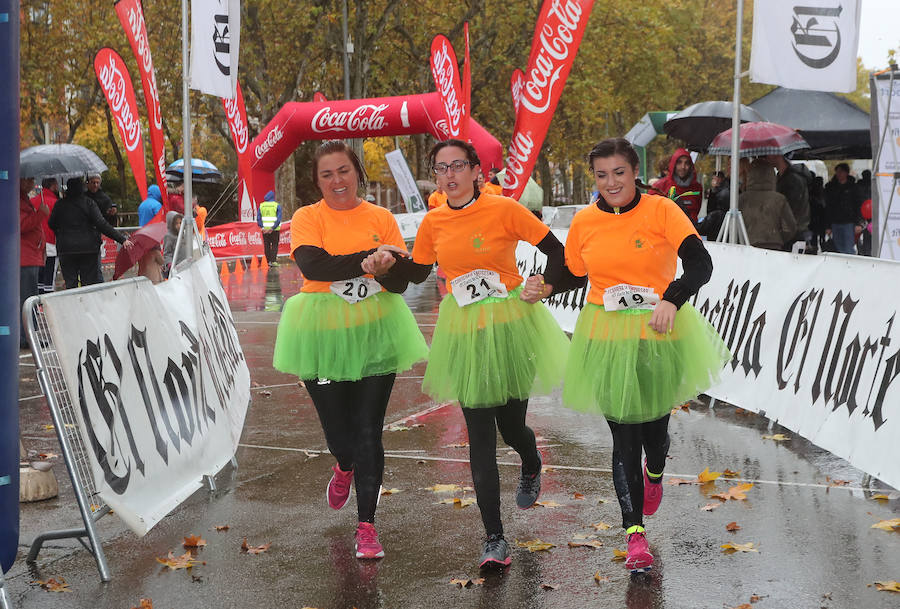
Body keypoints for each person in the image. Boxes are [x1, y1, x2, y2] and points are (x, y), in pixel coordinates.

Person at [371, 139, 571, 570]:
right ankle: (494, 539)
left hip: (512, 326)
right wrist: (388, 269)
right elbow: (417, 273)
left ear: (477, 170)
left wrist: (546, 283)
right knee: (479, 436)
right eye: (441, 168)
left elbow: (556, 250)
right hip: (464, 332)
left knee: (512, 428)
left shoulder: (505, 209)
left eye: (458, 165)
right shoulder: (433, 221)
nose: (450, 174)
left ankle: (530, 458)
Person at [546, 138, 728, 574]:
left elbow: (701, 264)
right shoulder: (586, 221)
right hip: (605, 335)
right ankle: (634, 535)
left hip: (658, 330)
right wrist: (547, 285)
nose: (611, 182)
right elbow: (574, 273)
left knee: (654, 436)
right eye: (601, 175)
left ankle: (657, 470)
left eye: (619, 173)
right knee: (623, 436)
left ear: (635, 173)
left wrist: (673, 297)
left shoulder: (662, 210)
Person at [272, 140, 428, 561]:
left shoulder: (381, 217)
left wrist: (390, 267)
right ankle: (343, 466)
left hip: (376, 331)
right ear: (317, 181)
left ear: (357, 172)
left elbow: (398, 284)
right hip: (320, 333)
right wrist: (367, 261)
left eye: (343, 171)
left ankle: (367, 526)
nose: (337, 180)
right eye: (327, 174)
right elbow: (313, 266)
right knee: (340, 436)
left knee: (368, 431)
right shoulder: (308, 217)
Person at [48, 177, 131, 288]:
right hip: (89, 248)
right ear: (82, 188)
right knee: (90, 283)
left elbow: (51, 224)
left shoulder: (60, 204)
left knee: (70, 282)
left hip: (66, 248)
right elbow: (102, 224)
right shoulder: (89, 203)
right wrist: (122, 239)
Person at [739, 159, 798, 250]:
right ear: (771, 176)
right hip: (773, 246)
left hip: (747, 245)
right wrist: (777, 237)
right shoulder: (779, 199)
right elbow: (791, 227)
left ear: (750, 175)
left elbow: (735, 226)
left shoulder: (742, 199)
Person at [19, 175, 48, 349]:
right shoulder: (17, 201)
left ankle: (29, 335)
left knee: (28, 296)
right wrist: (40, 214)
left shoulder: (23, 200)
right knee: (27, 298)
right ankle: (26, 337)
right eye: (28, 180)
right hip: (26, 257)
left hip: (31, 255)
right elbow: (22, 225)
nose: (31, 183)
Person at [766, 155, 810, 248]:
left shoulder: (793, 179)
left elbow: (791, 208)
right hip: (789, 230)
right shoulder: (781, 177)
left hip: (793, 231)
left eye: (769, 155)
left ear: (778, 156)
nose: (767, 158)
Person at [651, 148, 703, 223]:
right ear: (673, 164)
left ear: (690, 166)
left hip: (691, 230)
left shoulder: (697, 188)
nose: (683, 167)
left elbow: (697, 210)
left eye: (687, 163)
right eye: (679, 162)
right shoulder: (660, 185)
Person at [824, 163, 862, 254]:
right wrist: (828, 226)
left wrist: (858, 223)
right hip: (835, 222)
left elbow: (857, 205)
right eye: (837, 172)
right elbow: (829, 207)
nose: (839, 174)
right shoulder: (832, 188)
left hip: (849, 222)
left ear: (846, 173)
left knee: (848, 248)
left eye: (841, 172)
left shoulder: (853, 187)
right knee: (838, 247)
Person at [30, 177, 59, 293]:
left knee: (39, 278)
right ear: (52, 185)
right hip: (52, 242)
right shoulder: (56, 203)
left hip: (36, 243)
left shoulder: (33, 201)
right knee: (49, 278)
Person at [697, 171, 729, 239]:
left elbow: (712, 211)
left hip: (717, 230)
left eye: (715, 179)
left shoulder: (721, 193)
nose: (713, 181)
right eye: (713, 179)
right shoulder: (717, 191)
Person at [257, 190, 282, 264]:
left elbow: (258, 218)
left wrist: (262, 227)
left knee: (266, 245)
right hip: (274, 230)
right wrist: (273, 228)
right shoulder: (276, 205)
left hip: (265, 230)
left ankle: (267, 261)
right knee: (274, 245)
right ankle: (273, 261)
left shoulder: (261, 206)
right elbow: (279, 218)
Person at [162, 211, 184, 276]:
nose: (179, 225)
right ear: (171, 224)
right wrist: (170, 264)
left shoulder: (183, 234)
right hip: (175, 267)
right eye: (176, 223)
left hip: (184, 265)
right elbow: (167, 253)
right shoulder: (169, 236)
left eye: (180, 223)